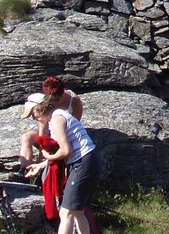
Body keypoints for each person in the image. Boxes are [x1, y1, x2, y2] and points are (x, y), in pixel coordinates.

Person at [24, 95, 101, 234]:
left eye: (33, 113)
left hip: (83, 162)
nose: (34, 118)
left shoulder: (56, 120)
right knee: (78, 211)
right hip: (89, 160)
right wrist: (40, 165)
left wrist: (47, 155)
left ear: (40, 108)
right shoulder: (58, 116)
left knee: (66, 212)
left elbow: (66, 151)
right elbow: (64, 151)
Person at [18, 76, 83, 174]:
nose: (52, 101)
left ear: (61, 93)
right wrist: (41, 154)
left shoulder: (74, 102)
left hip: (63, 134)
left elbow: (75, 125)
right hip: (50, 132)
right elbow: (43, 128)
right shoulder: (48, 100)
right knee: (27, 137)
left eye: (55, 99)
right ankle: (24, 171)